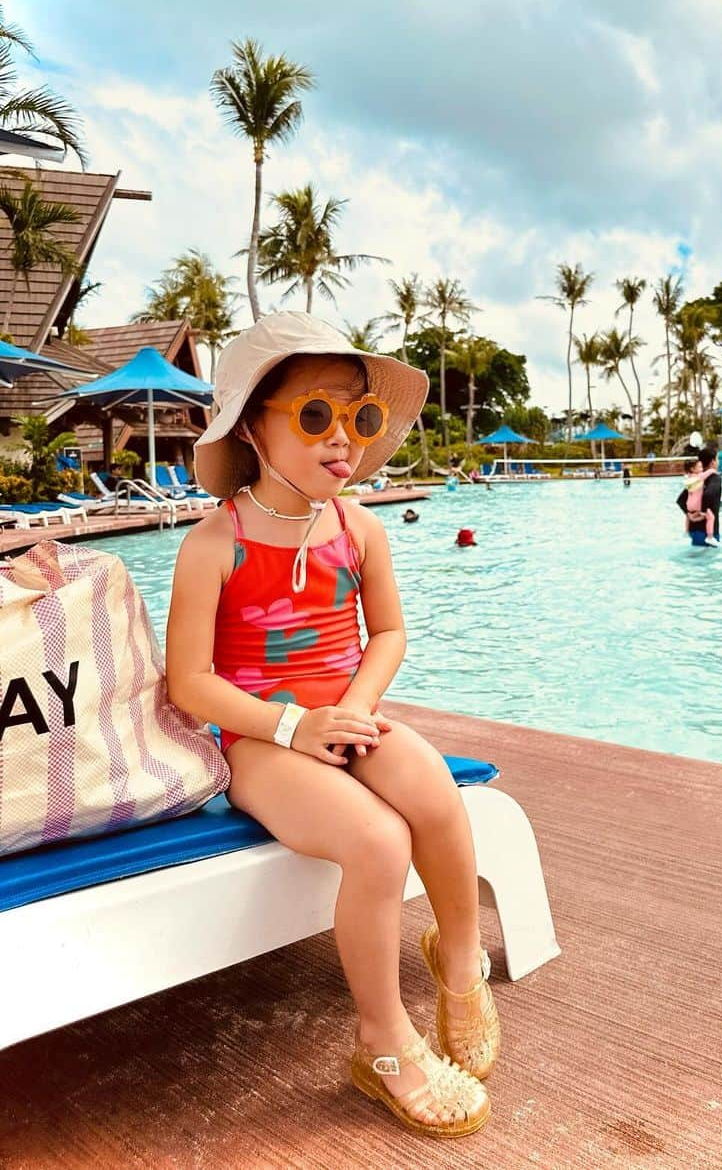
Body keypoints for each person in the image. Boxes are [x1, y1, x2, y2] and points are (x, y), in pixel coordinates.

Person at [165, 312, 495, 1138]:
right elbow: (189, 682)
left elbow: (387, 632)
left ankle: (457, 958)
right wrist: (290, 726)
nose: (342, 438)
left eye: (360, 417)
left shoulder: (359, 527)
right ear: (252, 424)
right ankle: (381, 1042)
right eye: (316, 415)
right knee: (380, 841)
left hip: (347, 712)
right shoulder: (216, 541)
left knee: (435, 795)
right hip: (257, 738)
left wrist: (355, 705)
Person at [677, 448, 722, 546]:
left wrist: (689, 514)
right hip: (707, 532)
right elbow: (708, 494)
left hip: (693, 530)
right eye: (717, 459)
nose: (718, 462)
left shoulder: (695, 478)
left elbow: (680, 500)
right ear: (712, 462)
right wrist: (702, 512)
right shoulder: (715, 478)